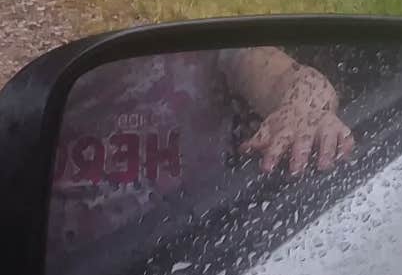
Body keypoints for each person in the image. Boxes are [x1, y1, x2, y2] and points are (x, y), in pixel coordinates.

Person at [49, 46, 354, 262]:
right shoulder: (60, 69)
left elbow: (296, 78)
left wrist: (302, 110)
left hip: (199, 251)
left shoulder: (205, 44)